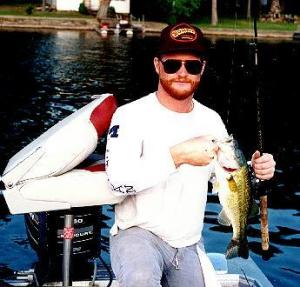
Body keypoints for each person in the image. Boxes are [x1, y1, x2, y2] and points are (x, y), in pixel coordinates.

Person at [105, 23, 276, 287]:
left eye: (192, 66)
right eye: (173, 64)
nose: (182, 73)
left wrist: (255, 172)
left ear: (202, 68)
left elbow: (226, 179)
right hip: (137, 234)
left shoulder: (212, 120)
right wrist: (176, 156)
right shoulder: (129, 116)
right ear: (157, 65)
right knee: (140, 279)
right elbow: (117, 182)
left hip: (188, 243)